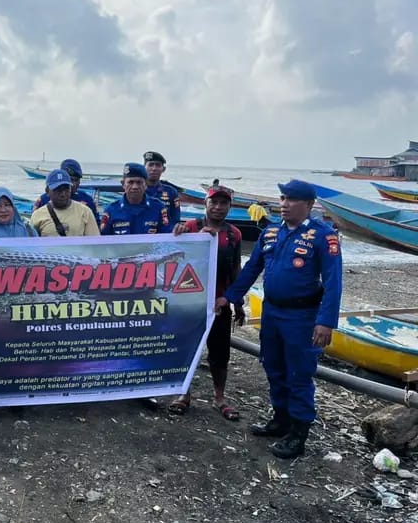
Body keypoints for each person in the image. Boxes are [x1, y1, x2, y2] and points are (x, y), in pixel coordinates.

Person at [216, 179, 342, 459]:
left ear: (308, 204)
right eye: (282, 198)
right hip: (271, 312)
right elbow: (252, 268)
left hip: (303, 316)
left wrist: (326, 321)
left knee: (298, 373)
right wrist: (230, 296)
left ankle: (298, 433)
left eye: (291, 199)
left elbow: (334, 281)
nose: (284, 204)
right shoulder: (271, 232)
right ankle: (281, 419)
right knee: (273, 366)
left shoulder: (323, 236)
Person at [167, 185, 245, 418]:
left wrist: (237, 302)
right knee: (185, 349)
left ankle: (219, 397)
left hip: (219, 303)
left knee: (219, 353)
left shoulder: (234, 234)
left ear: (230, 206)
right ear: (206, 204)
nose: (218, 207)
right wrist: (184, 237)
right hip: (189, 302)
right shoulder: (189, 227)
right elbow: (172, 259)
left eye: (224, 203)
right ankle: (183, 394)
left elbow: (235, 269)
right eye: (214, 202)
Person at [100, 163, 172, 235]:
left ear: (146, 185)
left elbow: (168, 236)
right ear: (123, 184)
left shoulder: (158, 208)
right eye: (130, 182)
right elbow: (103, 239)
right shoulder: (111, 211)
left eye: (139, 182)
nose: (135, 187)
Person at [30, 169, 100, 237]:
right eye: (58, 190)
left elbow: (95, 242)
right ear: (47, 191)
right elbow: (31, 242)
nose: (63, 194)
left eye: (66, 189)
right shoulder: (37, 216)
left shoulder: (85, 212)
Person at [33, 159, 99, 222]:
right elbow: (34, 224)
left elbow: (96, 226)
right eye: (71, 180)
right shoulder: (44, 200)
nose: (74, 184)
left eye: (76, 180)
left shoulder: (88, 200)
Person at [143, 151, 181, 224]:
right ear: (144, 167)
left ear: (163, 169)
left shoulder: (171, 192)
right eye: (150, 165)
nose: (154, 169)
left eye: (158, 165)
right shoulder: (137, 191)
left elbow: (176, 220)